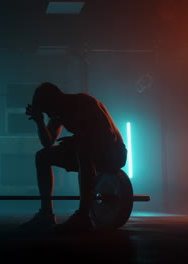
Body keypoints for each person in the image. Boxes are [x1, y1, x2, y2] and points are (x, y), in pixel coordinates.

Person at [20, 82, 127, 233]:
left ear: (54, 100)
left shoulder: (84, 103)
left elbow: (108, 135)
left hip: (114, 154)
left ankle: (83, 216)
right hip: (89, 151)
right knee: (42, 156)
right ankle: (46, 213)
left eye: (47, 110)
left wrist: (78, 140)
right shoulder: (58, 112)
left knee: (83, 148)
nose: (49, 115)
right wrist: (39, 122)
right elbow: (47, 143)